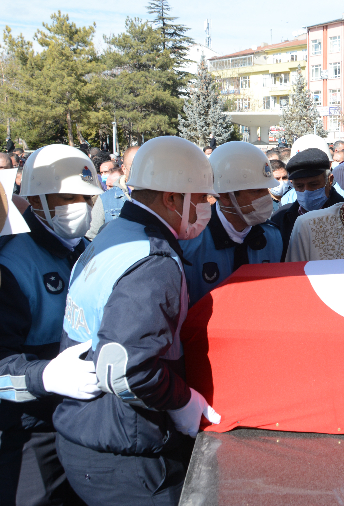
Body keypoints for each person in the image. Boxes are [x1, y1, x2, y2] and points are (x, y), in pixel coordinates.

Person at [53, 136, 221, 505]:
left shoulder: (116, 233)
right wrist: (181, 401)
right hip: (126, 454)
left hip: (87, 430)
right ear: (173, 198)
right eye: (204, 197)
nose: (209, 207)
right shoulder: (153, 259)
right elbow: (126, 368)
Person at [0, 145, 104, 506]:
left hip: (83, 419)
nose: (81, 206)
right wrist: (43, 376)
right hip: (31, 430)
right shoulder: (11, 265)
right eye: (68, 196)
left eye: (88, 198)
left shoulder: (90, 249)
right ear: (36, 198)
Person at [180, 141, 282, 306]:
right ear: (226, 197)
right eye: (256, 191)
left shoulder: (274, 238)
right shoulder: (191, 243)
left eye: (266, 190)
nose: (266, 197)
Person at [271, 149, 344, 261]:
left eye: (313, 184)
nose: (306, 191)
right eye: (299, 186)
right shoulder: (281, 219)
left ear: (330, 180)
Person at [86, 146, 139, 240]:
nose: (141, 170)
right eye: (135, 166)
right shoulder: (106, 199)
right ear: (123, 168)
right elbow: (91, 236)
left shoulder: (159, 196)